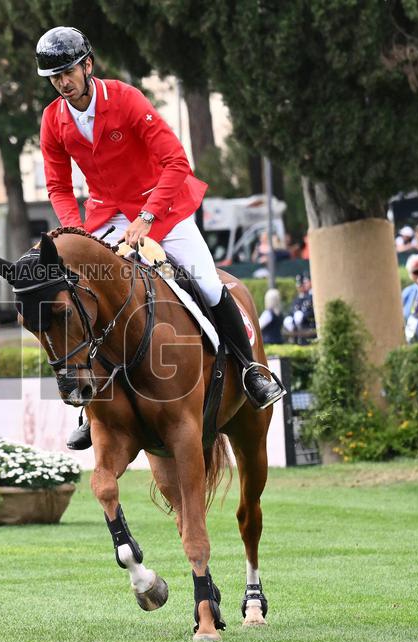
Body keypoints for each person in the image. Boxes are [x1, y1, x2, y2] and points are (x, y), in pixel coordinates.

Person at [36, 26, 284, 438]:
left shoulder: (127, 99)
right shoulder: (52, 120)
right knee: (87, 297)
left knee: (204, 280)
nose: (63, 82)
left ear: (87, 66)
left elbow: (176, 162)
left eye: (68, 72)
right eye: (55, 77)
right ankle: (92, 411)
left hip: (162, 206)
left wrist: (148, 218)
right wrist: (76, 236)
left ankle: (251, 371)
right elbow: (59, 187)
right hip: (106, 218)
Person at [283, 273, 315, 345]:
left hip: (308, 330)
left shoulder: (310, 297)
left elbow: (309, 312)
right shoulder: (297, 299)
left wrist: (302, 316)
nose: (300, 288)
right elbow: (292, 311)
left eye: (302, 285)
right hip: (298, 332)